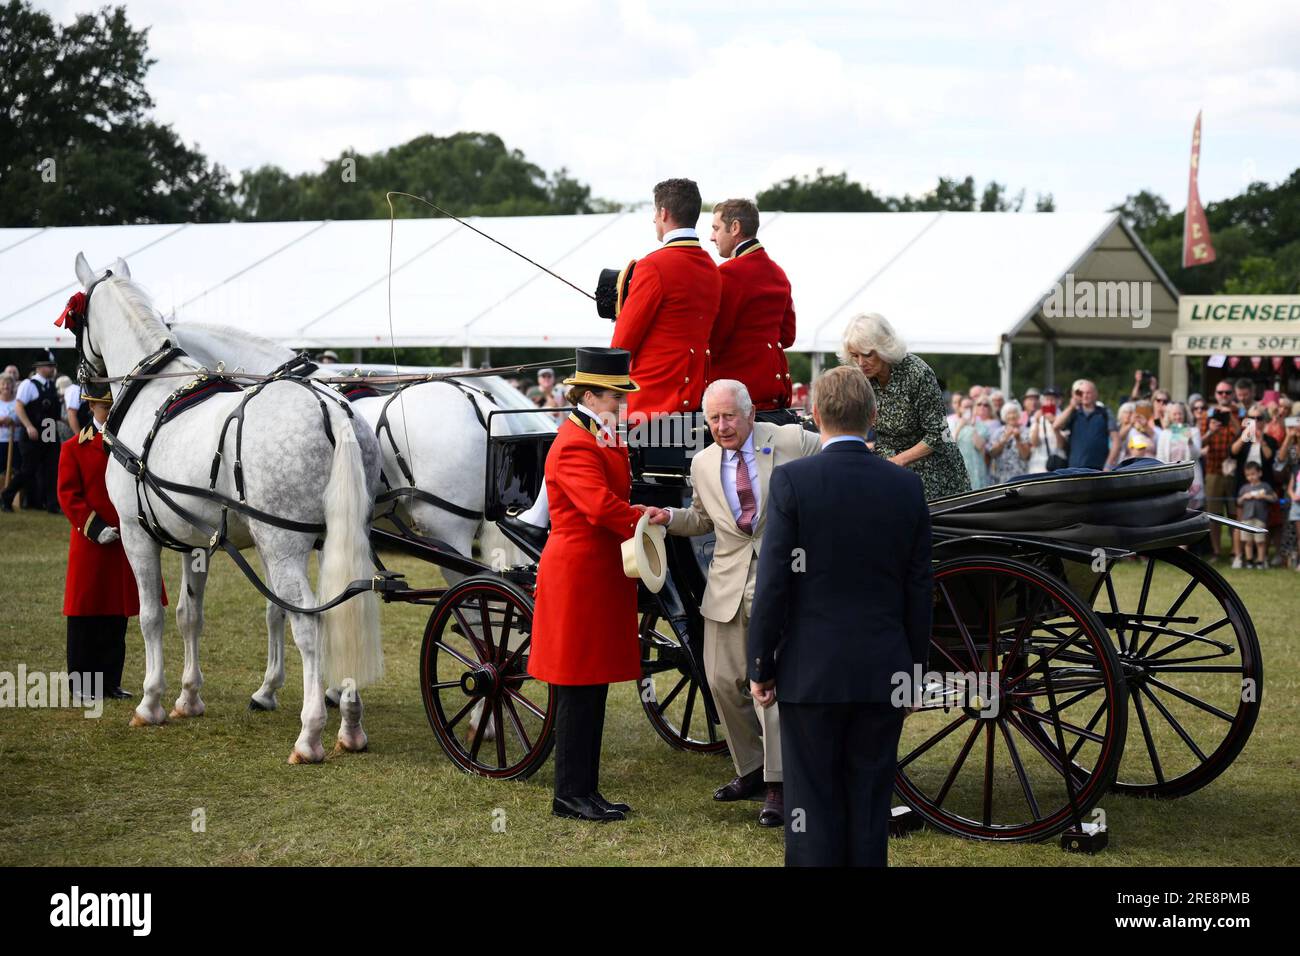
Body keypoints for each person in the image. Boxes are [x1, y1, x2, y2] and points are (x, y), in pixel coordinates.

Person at [748, 365, 931, 867]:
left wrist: (760, 665)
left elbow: (773, 585)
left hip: (812, 671)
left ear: (814, 415)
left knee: (811, 803)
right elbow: (919, 592)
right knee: (870, 804)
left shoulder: (793, 480)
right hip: (884, 670)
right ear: (874, 416)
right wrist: (913, 675)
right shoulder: (905, 487)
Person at [644, 379, 821, 827]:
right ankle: (752, 771)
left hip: (782, 583)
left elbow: (839, 454)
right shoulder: (703, 463)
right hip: (725, 587)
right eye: (713, 419)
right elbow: (703, 519)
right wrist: (669, 518)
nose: (721, 427)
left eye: (729, 417)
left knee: (771, 687)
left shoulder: (789, 440)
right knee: (723, 681)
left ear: (750, 414)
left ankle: (780, 786)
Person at [527, 347, 645, 822]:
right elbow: (598, 507)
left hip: (597, 573)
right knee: (578, 686)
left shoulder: (595, 432)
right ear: (591, 395)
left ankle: (585, 790)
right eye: (614, 396)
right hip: (579, 576)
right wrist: (644, 518)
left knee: (592, 685)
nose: (620, 404)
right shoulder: (576, 441)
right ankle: (569, 794)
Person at [57, 386, 144, 700]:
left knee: (115, 616)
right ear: (91, 406)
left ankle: (110, 682)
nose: (108, 411)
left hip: (122, 540)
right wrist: (94, 528)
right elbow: (68, 496)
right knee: (85, 615)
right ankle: (81, 685)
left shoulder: (128, 446)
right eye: (103, 405)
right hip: (90, 542)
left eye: (112, 405)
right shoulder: (73, 447)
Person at [610, 178, 722, 419]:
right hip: (693, 402)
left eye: (654, 212)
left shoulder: (653, 266)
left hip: (649, 405)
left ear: (663, 213)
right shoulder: (712, 268)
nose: (653, 219)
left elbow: (622, 345)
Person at [840, 313, 970, 500]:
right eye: (855, 356)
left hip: (935, 477)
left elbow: (939, 435)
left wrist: (896, 461)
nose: (861, 363)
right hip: (890, 472)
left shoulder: (917, 373)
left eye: (868, 354)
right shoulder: (862, 378)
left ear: (884, 346)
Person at [707, 199, 795, 412]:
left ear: (735, 228)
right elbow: (787, 336)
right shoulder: (778, 273)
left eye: (716, 229)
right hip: (774, 391)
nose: (711, 237)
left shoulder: (727, 274)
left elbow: (715, 341)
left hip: (738, 398)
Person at [3, 351, 62, 513]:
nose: (52, 369)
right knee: (28, 470)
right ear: (40, 367)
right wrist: (28, 426)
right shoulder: (28, 385)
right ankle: (7, 497)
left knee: (51, 469)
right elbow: (19, 406)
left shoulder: (51, 385)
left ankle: (51, 504)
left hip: (49, 431)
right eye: (49, 366)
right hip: (33, 434)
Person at [1054, 379, 1117, 471]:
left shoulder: (1105, 412)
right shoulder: (1073, 413)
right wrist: (1071, 406)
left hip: (1099, 469)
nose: (1085, 396)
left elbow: (1116, 440)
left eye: (1088, 393)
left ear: (1095, 394)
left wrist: (1108, 465)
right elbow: (1056, 425)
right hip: (1075, 469)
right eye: (1081, 393)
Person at [1157, 401, 1205, 508]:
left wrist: (1190, 441)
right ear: (1170, 416)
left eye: (1180, 414)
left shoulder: (1194, 431)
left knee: (1192, 511)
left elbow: (1197, 456)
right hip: (1170, 479)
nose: (1178, 417)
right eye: (1174, 414)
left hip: (1190, 479)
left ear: (1185, 415)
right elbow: (1160, 458)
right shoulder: (1165, 434)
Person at [1236, 461, 1276, 569]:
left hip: (1260, 518)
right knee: (1248, 541)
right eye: (1248, 475)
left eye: (1253, 474)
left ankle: (1260, 561)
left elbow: (1274, 498)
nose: (1251, 477)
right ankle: (1249, 561)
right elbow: (1238, 502)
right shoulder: (1244, 488)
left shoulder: (1265, 486)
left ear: (1260, 473)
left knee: (1260, 541)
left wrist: (1264, 497)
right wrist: (1244, 497)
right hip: (1246, 518)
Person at [987, 400, 1032, 485]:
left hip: (1020, 476)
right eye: (1008, 413)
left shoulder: (1026, 431)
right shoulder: (998, 432)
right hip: (1000, 478)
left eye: (1014, 413)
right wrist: (1004, 439)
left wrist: (1018, 439)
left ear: (1019, 414)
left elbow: (1025, 456)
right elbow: (992, 453)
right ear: (1004, 416)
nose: (1012, 416)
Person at [1026, 385, 1065, 473]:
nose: (1050, 402)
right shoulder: (1037, 416)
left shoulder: (1063, 417)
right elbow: (1034, 443)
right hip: (1038, 466)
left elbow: (1061, 445)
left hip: (1057, 464)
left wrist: (1055, 425)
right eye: (1047, 399)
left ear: (1059, 401)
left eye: (1053, 399)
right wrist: (1037, 422)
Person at [952, 396, 989, 489]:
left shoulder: (981, 426)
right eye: (965, 407)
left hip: (976, 469)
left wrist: (972, 427)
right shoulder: (951, 424)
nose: (968, 409)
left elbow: (979, 446)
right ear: (960, 409)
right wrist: (959, 427)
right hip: (959, 470)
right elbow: (950, 445)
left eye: (970, 407)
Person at [0, 375, 21, 509]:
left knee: (16, 470)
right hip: (0, 440)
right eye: (3, 384)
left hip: (16, 441)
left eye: (8, 384)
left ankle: (14, 498)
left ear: (13, 386)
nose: (6, 387)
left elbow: (19, 416)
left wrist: (12, 419)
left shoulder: (17, 403)